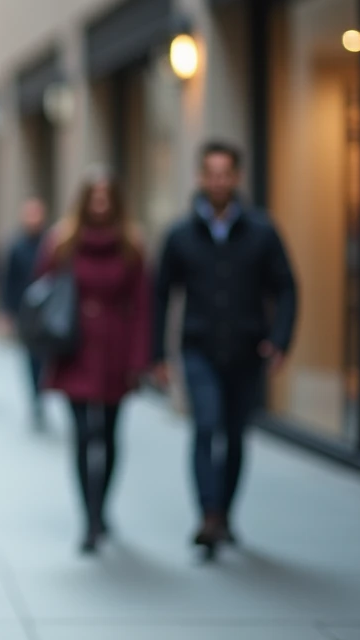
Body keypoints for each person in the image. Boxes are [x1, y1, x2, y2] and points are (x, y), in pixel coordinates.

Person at [154, 140, 297, 555]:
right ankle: (208, 515)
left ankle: (225, 513)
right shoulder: (181, 235)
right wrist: (157, 355)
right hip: (198, 349)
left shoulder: (262, 232)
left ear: (236, 177)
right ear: (201, 177)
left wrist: (281, 339)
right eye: (210, 173)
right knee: (206, 425)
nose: (217, 180)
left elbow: (286, 287)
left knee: (234, 435)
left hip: (247, 350)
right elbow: (161, 294)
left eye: (225, 173)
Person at [35, 168, 150, 555]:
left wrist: (139, 358)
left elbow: (143, 306)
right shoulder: (62, 242)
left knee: (111, 436)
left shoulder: (131, 245)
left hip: (116, 351)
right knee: (84, 435)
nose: (100, 203)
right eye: (94, 196)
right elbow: (42, 293)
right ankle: (90, 518)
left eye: (106, 197)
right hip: (75, 350)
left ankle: (103, 508)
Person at [2, 198, 49, 428]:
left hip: (49, 313)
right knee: (31, 358)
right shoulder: (17, 246)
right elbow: (9, 280)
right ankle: (36, 397)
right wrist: (8, 313)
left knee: (46, 357)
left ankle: (43, 393)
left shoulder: (51, 244)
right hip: (25, 312)